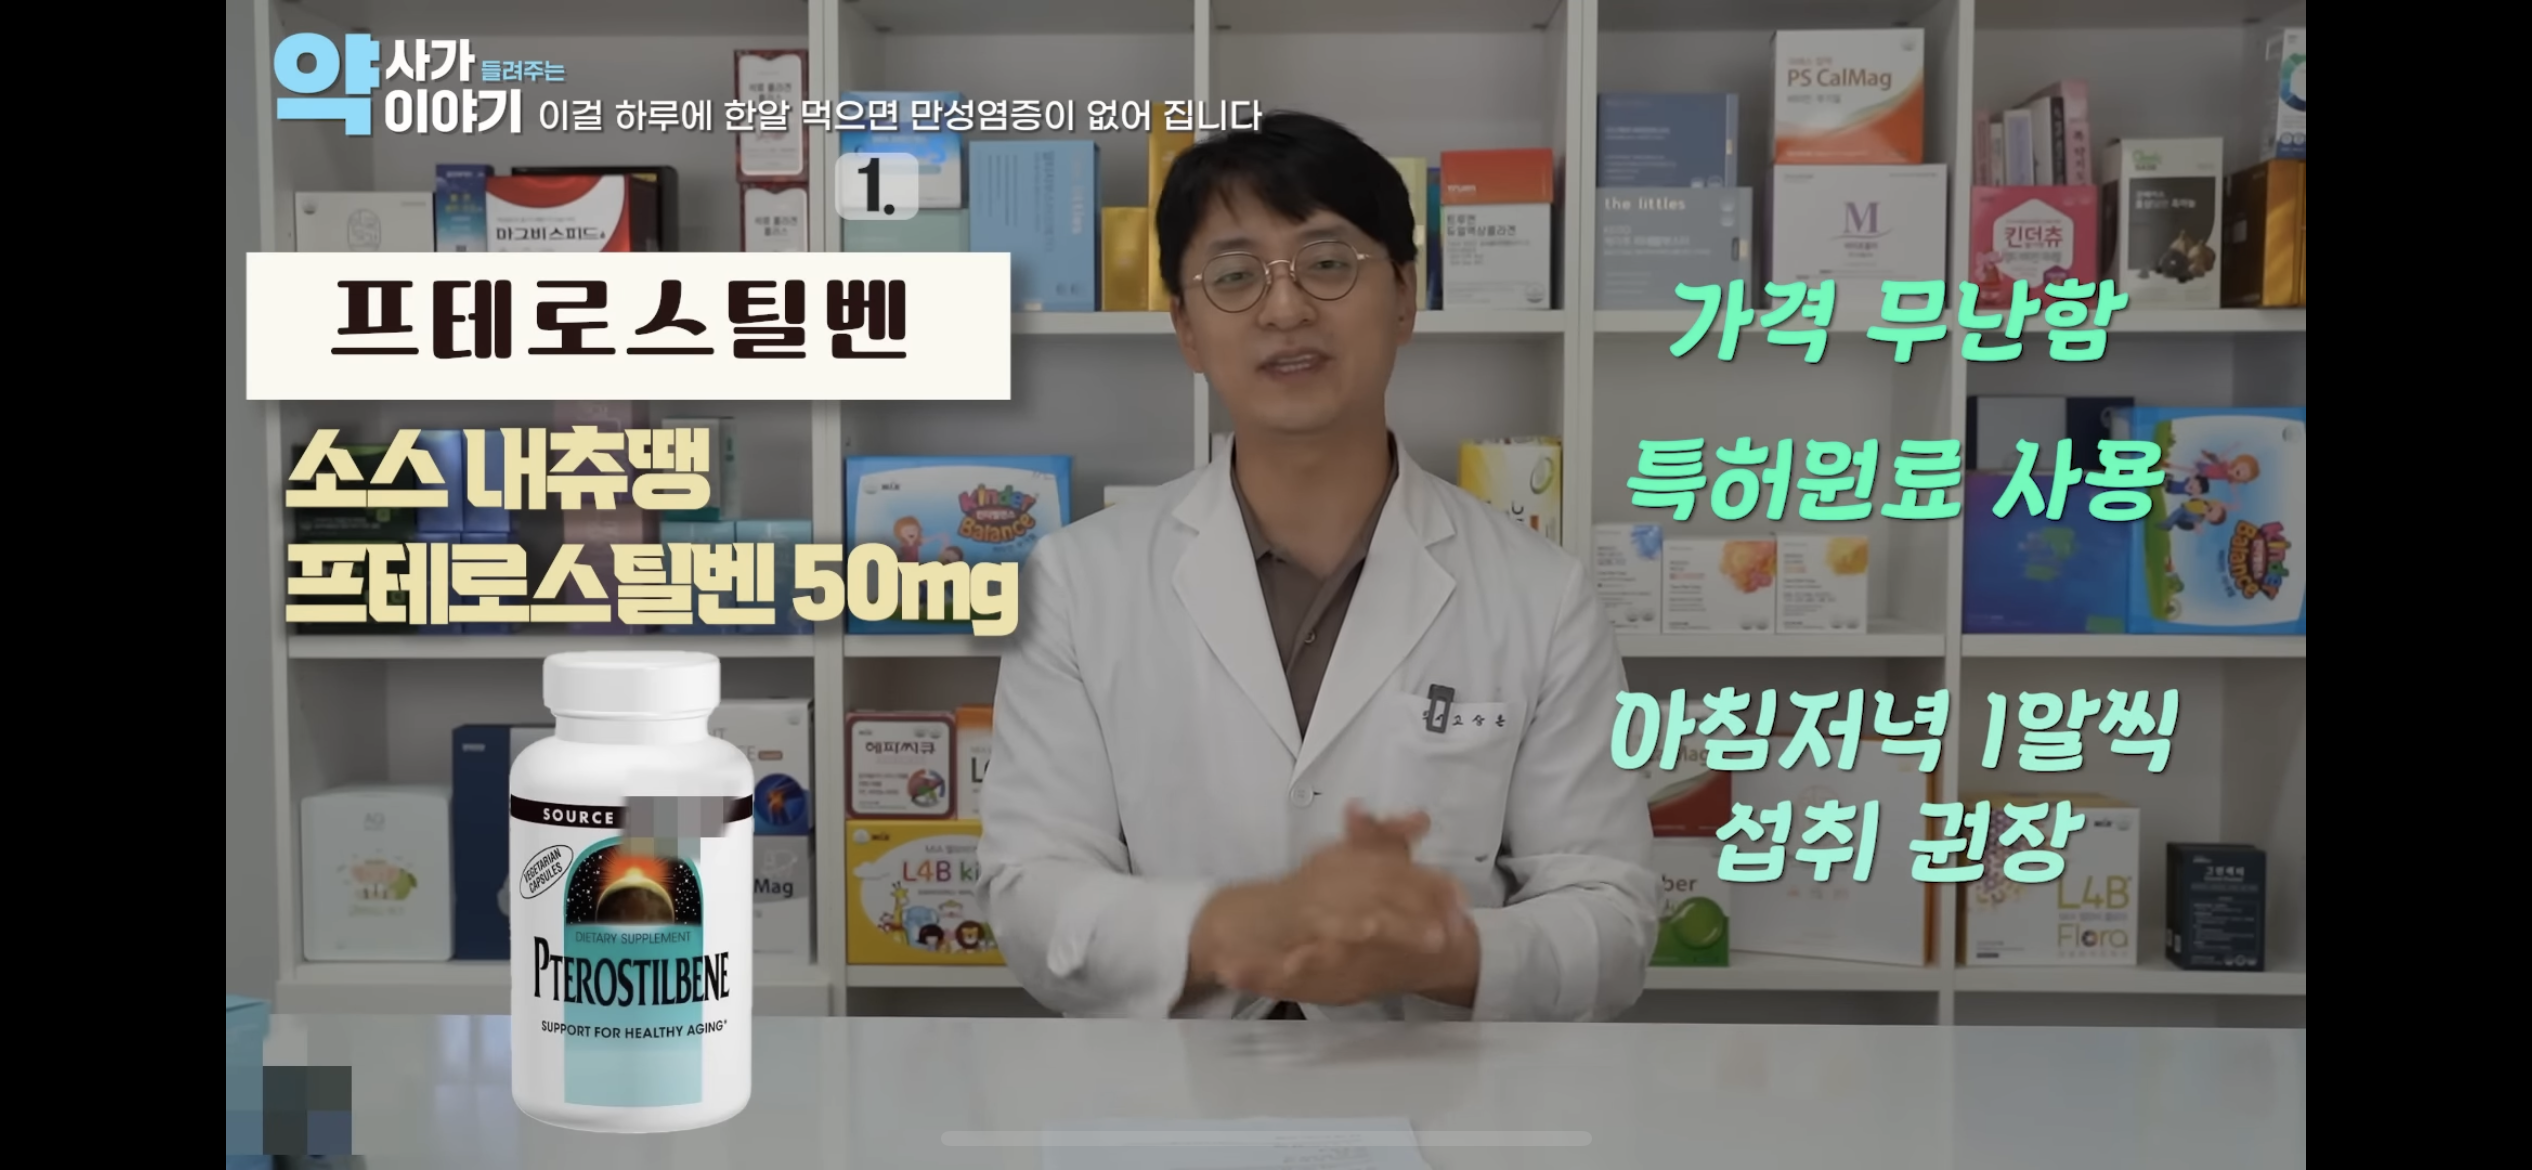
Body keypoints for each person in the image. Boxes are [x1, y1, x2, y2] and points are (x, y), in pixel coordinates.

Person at [977, 111, 1658, 1023]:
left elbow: (1612, 914)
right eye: (1234, 276)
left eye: (1328, 263)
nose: (1285, 308)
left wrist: (1440, 951)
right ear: (1185, 329)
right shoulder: (1075, 582)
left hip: (1439, 1089)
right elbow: (1032, 891)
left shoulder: (1541, 594)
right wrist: (1236, 928)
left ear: (1405, 295)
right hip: (1165, 1088)